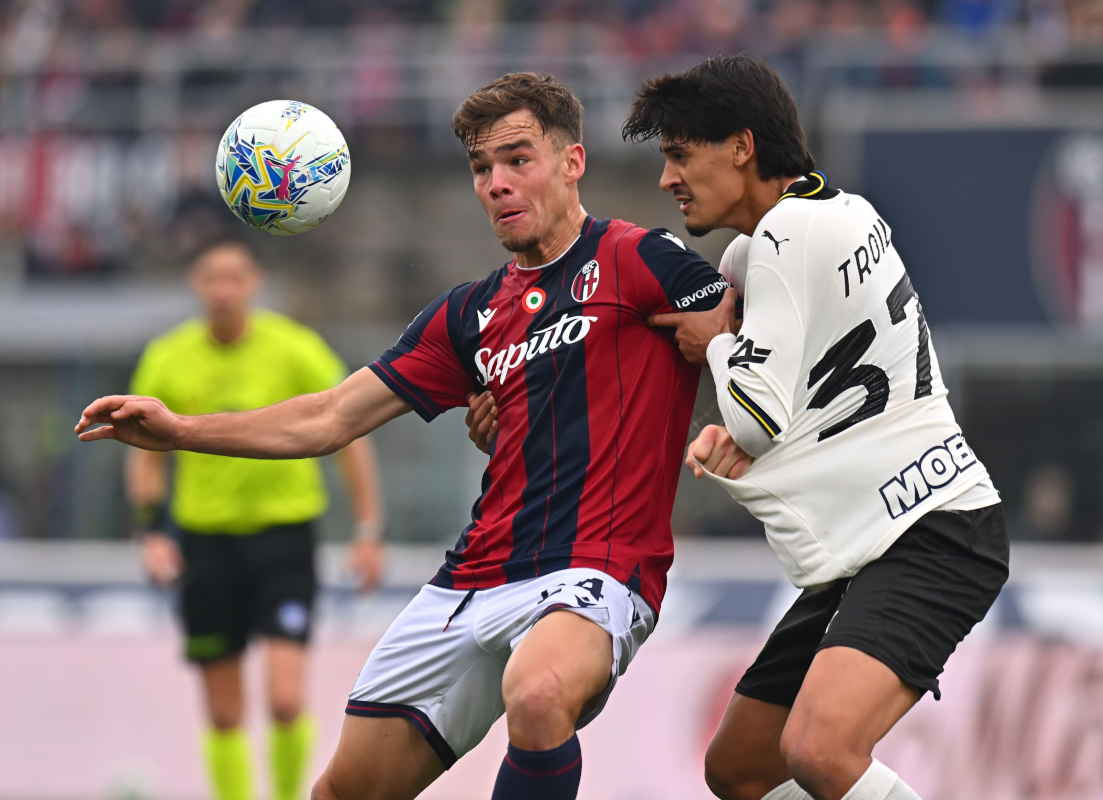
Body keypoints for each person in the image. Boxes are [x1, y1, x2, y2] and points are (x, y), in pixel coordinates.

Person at [78, 72, 732, 800]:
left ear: (572, 162)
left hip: (596, 568)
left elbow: (758, 332)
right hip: (474, 576)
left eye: (519, 159)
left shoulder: (641, 261)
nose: (497, 183)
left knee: (540, 696)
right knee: (341, 791)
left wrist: (732, 395)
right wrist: (178, 431)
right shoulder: (468, 313)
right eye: (483, 168)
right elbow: (330, 418)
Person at [626, 56, 1010, 800]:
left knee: (820, 751)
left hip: (932, 531)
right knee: (739, 766)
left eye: (680, 153)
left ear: (741, 147)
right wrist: (734, 421)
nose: (667, 178)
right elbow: (810, 389)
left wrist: (715, 345)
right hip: (878, 537)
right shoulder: (838, 212)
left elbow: (760, 417)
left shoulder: (783, 239)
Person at [125, 240, 386, 800]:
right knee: (223, 713)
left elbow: (349, 433)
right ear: (195, 283)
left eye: (234, 277)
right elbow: (144, 453)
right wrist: (150, 532)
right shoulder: (167, 357)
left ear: (255, 283)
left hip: (283, 539)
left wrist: (368, 530)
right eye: (212, 277)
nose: (223, 289)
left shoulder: (294, 349)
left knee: (286, 699)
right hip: (205, 543)